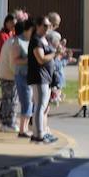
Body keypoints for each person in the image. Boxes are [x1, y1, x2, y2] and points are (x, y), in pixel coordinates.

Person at [26, 15, 58, 143]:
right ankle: (38, 134)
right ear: (38, 26)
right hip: (39, 77)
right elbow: (41, 59)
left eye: (49, 26)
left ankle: (42, 132)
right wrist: (54, 54)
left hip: (47, 78)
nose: (47, 28)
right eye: (45, 25)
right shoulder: (36, 41)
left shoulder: (44, 40)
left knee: (44, 106)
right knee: (40, 106)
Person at [0, 16, 19, 131]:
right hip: (5, 68)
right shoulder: (3, 36)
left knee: (7, 96)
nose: (13, 27)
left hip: (4, 68)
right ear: (6, 23)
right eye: (12, 24)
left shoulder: (10, 35)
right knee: (9, 96)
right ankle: (6, 121)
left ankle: (2, 117)